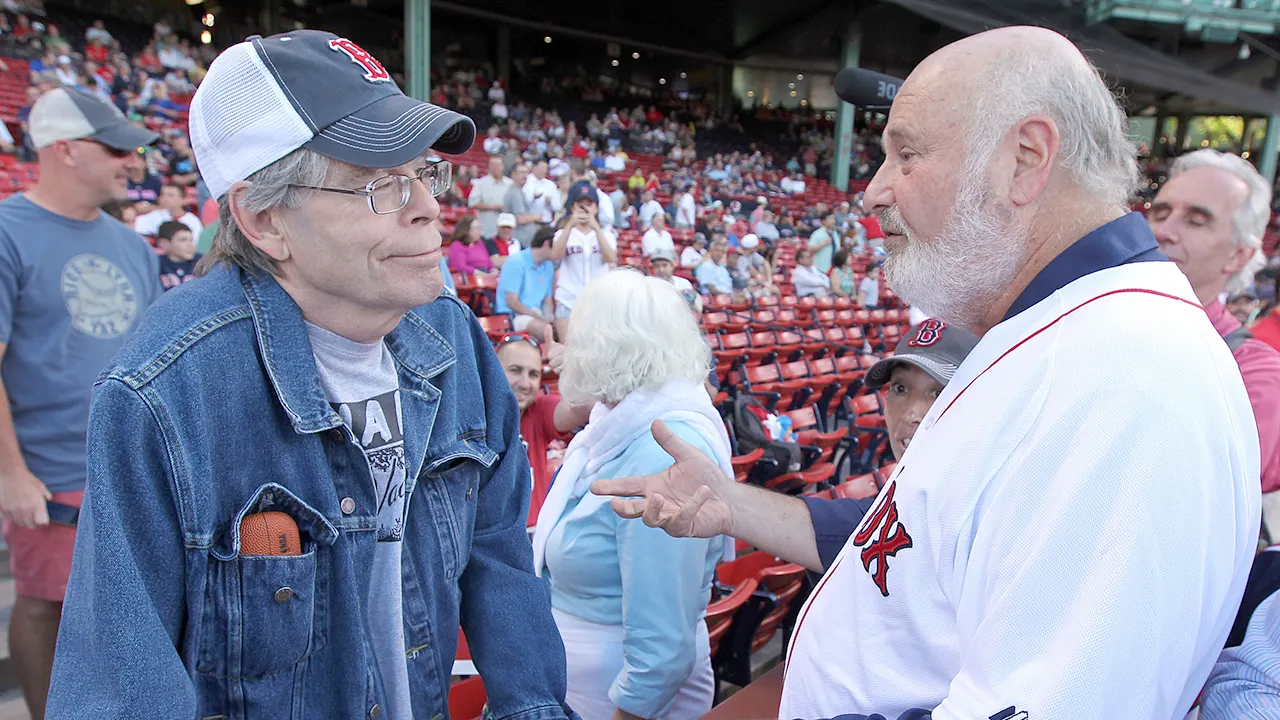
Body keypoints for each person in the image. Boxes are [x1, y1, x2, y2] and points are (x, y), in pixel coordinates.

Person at [591, 26, 1259, 720]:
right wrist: (731, 503)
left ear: (1026, 160)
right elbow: (922, 541)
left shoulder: (1124, 379)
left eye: (906, 155)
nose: (873, 191)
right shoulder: (1067, 332)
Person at [47, 30, 576, 720]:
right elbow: (119, 687)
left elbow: (497, 556)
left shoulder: (453, 337)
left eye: (424, 173)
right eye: (381, 185)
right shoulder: (166, 391)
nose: (427, 206)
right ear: (265, 219)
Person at [0, 87, 159, 720]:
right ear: (64, 150)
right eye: (115, 148)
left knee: (124, 612)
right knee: (47, 605)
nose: (132, 161)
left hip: (129, 461)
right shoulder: (8, 231)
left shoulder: (134, 246)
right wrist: (11, 471)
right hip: (52, 466)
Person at [532, 268, 732, 720]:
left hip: (619, 698)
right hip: (588, 682)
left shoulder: (660, 449)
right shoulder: (618, 424)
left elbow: (662, 646)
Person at [1148, 148, 1280, 538]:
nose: (1164, 231)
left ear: (1239, 255)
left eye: (1196, 221)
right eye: (1160, 212)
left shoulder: (1252, 372)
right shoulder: (1085, 318)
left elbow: (1190, 499)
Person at [497, 335, 590, 527]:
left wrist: (575, 369)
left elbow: (587, 407)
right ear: (493, 369)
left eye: (533, 374)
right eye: (515, 370)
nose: (525, 383)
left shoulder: (539, 411)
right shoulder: (473, 418)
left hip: (533, 533)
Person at [550, 180, 616, 340]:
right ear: (573, 207)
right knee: (567, 347)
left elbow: (610, 258)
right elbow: (555, 256)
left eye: (589, 204)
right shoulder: (562, 233)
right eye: (581, 204)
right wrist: (570, 225)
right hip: (568, 299)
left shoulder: (606, 235)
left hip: (598, 300)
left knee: (597, 347)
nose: (585, 208)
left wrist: (596, 227)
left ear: (596, 208)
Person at [496, 225, 557, 342]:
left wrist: (549, 318)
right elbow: (512, 302)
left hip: (537, 313)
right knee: (546, 331)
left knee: (559, 328)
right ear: (546, 244)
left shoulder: (548, 266)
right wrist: (538, 317)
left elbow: (547, 301)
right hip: (513, 315)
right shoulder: (516, 262)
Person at [134, 181, 202, 236]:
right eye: (163, 194)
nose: (165, 198)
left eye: (170, 195)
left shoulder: (192, 220)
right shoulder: (154, 215)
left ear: (183, 199)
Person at [468, 154, 512, 239]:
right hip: (487, 230)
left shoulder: (510, 184)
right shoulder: (480, 183)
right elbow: (472, 203)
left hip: (507, 230)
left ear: (503, 166)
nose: (495, 168)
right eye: (493, 165)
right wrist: (494, 207)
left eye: (498, 165)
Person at [503, 161, 541, 248]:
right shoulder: (515, 193)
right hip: (520, 241)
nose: (525, 175)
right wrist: (536, 217)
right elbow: (520, 219)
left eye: (526, 172)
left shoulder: (519, 191)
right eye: (521, 172)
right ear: (514, 175)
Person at [156, 219, 200, 291]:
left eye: (191, 240)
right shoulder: (156, 264)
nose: (190, 245)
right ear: (164, 243)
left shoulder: (203, 263)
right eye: (183, 240)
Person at [524, 158, 561, 224]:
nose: (544, 171)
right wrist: (533, 197)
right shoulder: (525, 182)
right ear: (534, 168)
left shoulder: (550, 184)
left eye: (546, 168)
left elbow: (558, 207)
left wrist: (550, 202)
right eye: (542, 168)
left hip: (547, 221)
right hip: (530, 221)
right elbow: (522, 203)